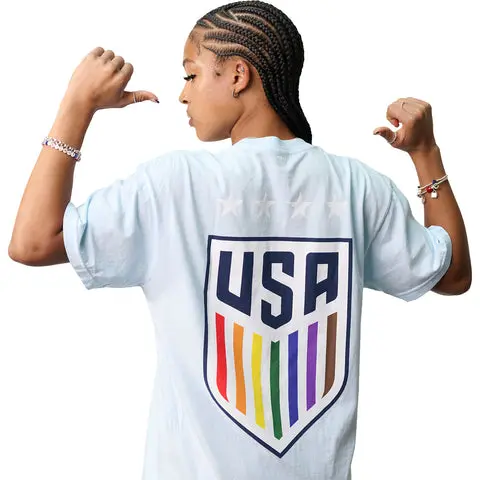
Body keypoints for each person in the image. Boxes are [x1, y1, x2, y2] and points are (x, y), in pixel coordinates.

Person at [8, 1, 471, 479]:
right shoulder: (358, 188)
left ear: (237, 75)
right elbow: (452, 275)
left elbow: (33, 242)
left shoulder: (173, 186)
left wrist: (77, 105)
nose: (183, 95)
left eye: (190, 75)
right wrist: (425, 152)